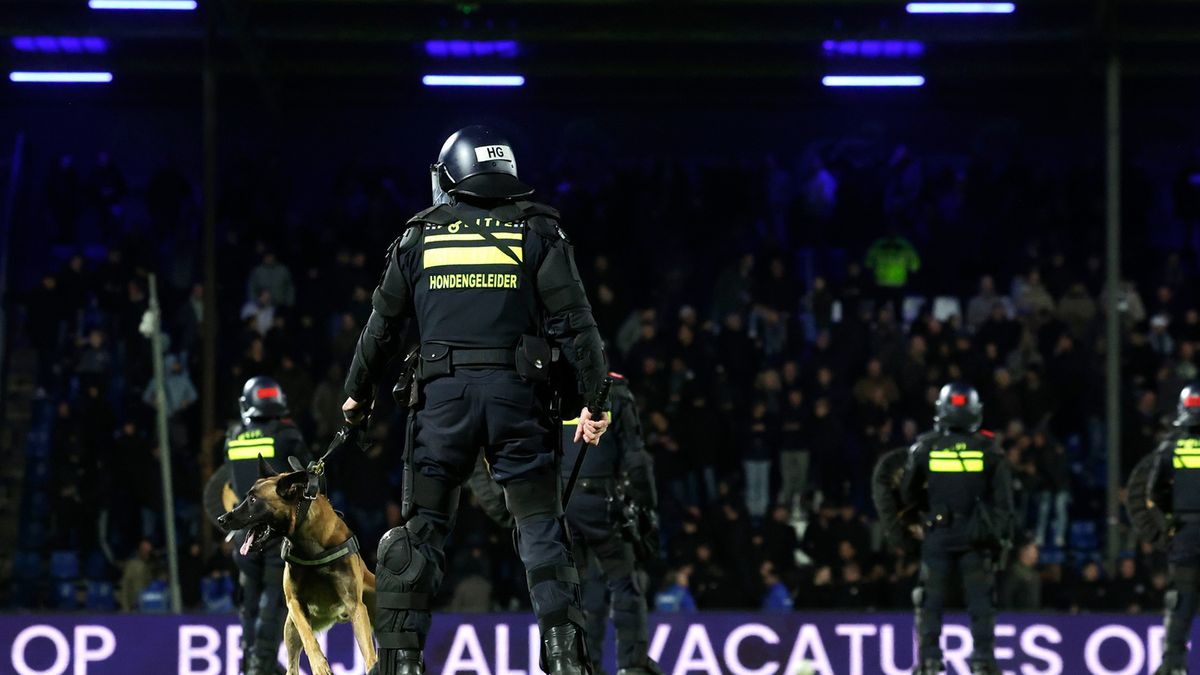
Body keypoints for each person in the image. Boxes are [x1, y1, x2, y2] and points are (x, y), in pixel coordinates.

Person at [342, 125, 609, 675]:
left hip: (440, 406)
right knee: (540, 528)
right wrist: (593, 400)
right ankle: (563, 660)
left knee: (422, 534)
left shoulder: (418, 237)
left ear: (452, 173)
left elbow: (381, 328)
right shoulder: (538, 230)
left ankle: (403, 662)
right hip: (519, 403)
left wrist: (357, 395)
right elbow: (577, 325)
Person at [901, 382, 1014, 675]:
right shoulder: (989, 450)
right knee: (981, 600)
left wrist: (921, 519)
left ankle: (929, 660)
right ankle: (982, 661)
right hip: (976, 536)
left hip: (938, 534)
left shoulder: (926, 447)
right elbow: (1004, 502)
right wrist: (997, 535)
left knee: (930, 600)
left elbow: (907, 493)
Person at [561, 372, 662, 675]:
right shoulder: (614, 392)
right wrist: (647, 507)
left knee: (574, 587)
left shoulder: (553, 387)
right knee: (624, 583)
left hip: (561, 501)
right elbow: (636, 458)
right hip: (600, 502)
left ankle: (579, 664)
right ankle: (632, 665)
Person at [222, 376, 310, 675]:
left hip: (244, 533)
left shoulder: (234, 437)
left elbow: (231, 483)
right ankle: (262, 662)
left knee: (249, 601)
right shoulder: (287, 435)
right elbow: (309, 481)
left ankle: (251, 661)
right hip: (274, 532)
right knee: (274, 599)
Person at [1145, 383, 1200, 675]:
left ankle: (1174, 665)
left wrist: (1167, 526)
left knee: (1181, 601)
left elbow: (1153, 495)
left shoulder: (1171, 445)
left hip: (1185, 534)